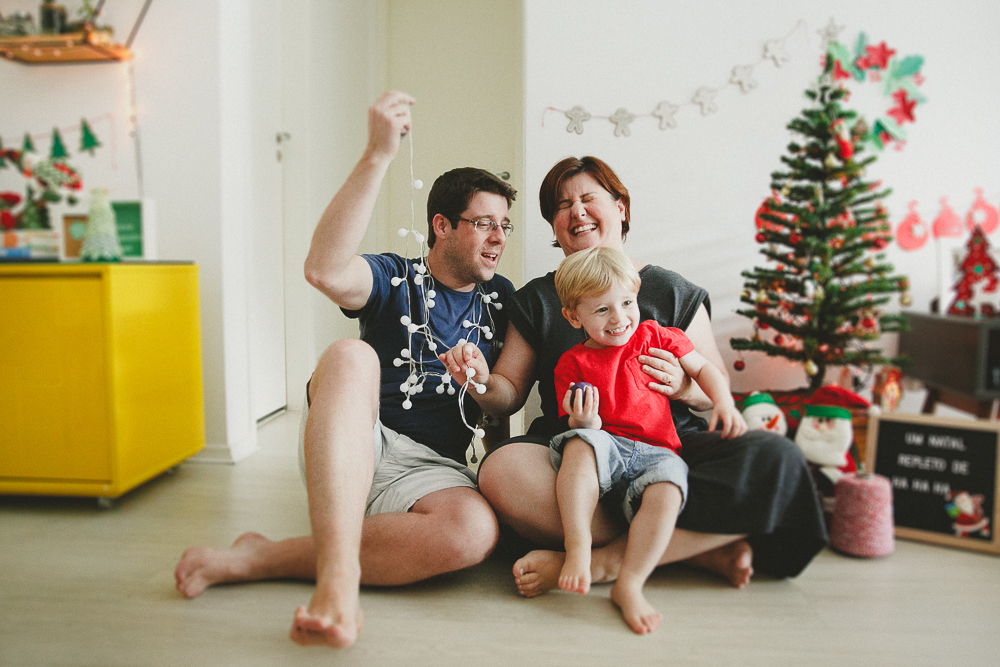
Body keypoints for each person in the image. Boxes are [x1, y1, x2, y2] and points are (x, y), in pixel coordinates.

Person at [173, 91, 517, 649]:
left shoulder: (502, 300)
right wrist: (378, 154)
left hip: (432, 470)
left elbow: (505, 404)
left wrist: (479, 381)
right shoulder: (395, 275)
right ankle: (337, 582)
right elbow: (323, 268)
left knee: (474, 533)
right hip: (360, 441)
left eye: (505, 225)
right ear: (442, 226)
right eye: (484, 223)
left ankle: (264, 556)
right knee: (350, 354)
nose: (500, 238)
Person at [439, 155, 826, 600]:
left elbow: (713, 383)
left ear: (620, 207)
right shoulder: (537, 300)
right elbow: (507, 394)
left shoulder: (671, 290)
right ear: (554, 227)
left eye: (588, 198)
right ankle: (694, 549)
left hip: (670, 447)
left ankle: (605, 562)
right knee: (501, 470)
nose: (576, 212)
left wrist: (683, 386)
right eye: (562, 206)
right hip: (577, 450)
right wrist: (481, 381)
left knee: (777, 458)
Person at [556, 246, 747, 633]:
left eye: (627, 302)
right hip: (606, 443)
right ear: (573, 316)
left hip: (657, 451)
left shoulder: (654, 336)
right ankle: (577, 547)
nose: (619, 318)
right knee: (578, 443)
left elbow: (704, 369)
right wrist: (585, 421)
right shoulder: (573, 362)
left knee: (670, 489)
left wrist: (724, 402)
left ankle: (629, 583)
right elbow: (576, 420)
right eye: (602, 309)